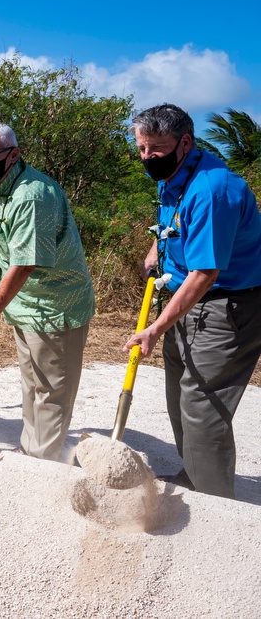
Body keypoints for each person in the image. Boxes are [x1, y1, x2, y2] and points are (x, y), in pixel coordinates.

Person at [125, 104, 261, 499]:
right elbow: (173, 220)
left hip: (226, 306)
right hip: (186, 299)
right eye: (142, 148)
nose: (148, 157)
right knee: (180, 395)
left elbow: (206, 275)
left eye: (157, 148)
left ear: (185, 143)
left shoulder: (212, 190)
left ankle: (216, 507)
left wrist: (155, 327)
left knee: (204, 406)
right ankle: (193, 477)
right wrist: (156, 248)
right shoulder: (175, 173)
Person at [0, 123, 95, 462]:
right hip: (25, 306)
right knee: (33, 385)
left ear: (14, 154)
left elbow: (23, 265)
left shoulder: (31, 196)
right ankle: (32, 451)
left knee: (51, 391)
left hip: (55, 307)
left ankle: (43, 467)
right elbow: (3, 256)